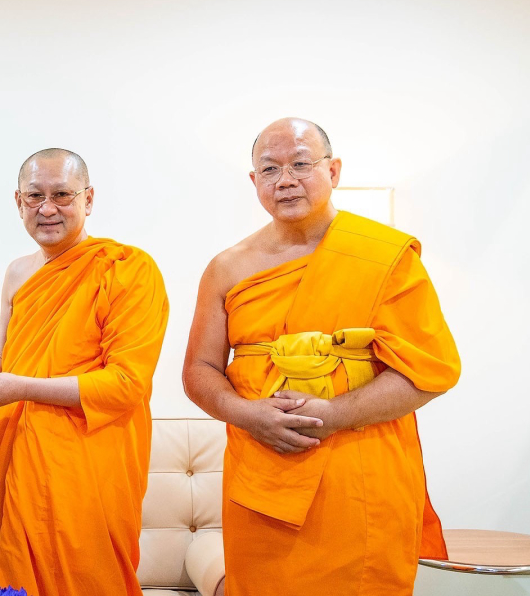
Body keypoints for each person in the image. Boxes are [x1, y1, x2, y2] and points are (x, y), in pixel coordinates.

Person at [182, 118, 461, 596]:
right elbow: (198, 371)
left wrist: (333, 414)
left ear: (333, 171)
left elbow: (430, 369)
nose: (285, 179)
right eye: (269, 169)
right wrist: (248, 415)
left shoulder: (383, 255)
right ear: (255, 182)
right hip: (263, 472)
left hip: (361, 476)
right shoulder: (227, 267)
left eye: (300, 164)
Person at [0, 148, 169, 596]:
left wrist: (22, 388)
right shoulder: (18, 273)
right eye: (35, 196)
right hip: (20, 453)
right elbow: (4, 360)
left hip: (90, 459)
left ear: (88, 199)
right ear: (18, 202)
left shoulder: (127, 269)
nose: (47, 208)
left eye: (62, 195)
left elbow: (127, 384)